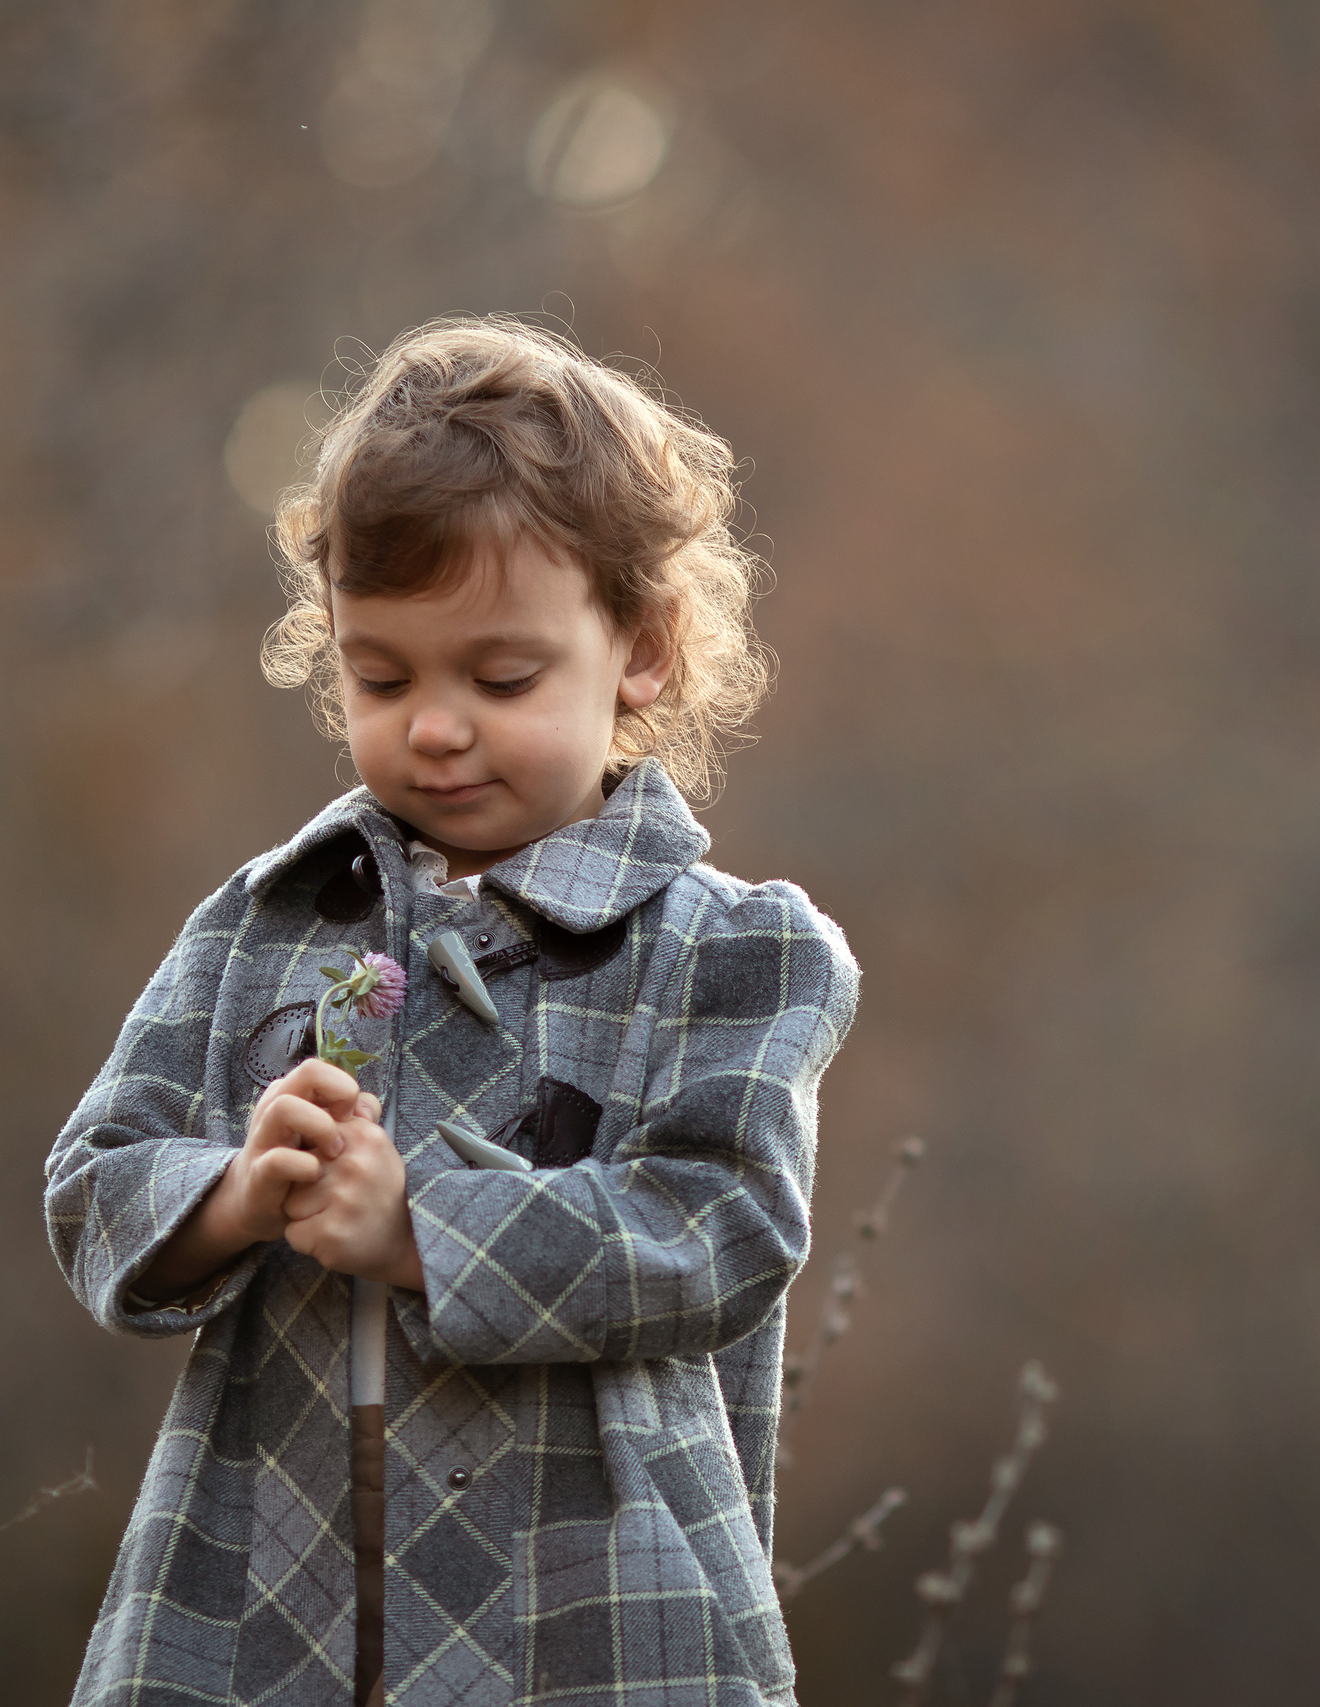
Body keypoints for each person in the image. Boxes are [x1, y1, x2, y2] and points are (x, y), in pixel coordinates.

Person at [45, 318, 859, 1707]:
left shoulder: (735, 951)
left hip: (596, 1615)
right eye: (381, 677)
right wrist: (239, 1193)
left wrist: (424, 1231)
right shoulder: (269, 920)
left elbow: (720, 1226)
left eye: (501, 679)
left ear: (643, 650)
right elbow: (94, 1183)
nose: (434, 726)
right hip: (268, 1600)